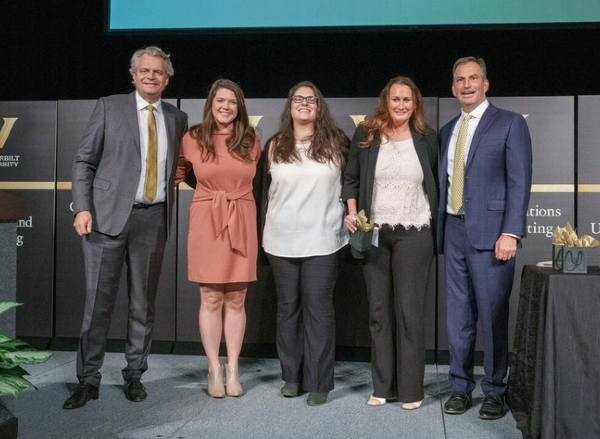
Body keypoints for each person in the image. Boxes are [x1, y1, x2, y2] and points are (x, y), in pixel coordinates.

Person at [65, 46, 188, 409]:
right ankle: (87, 379)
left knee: (142, 306)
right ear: (133, 75)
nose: (151, 76)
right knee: (97, 305)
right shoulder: (109, 106)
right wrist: (82, 207)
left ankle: (134, 374)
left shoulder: (177, 117)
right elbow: (84, 161)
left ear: (167, 78)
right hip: (105, 219)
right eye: (144, 71)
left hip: (153, 219)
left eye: (158, 72)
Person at [438, 57, 532, 419]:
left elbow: (519, 181)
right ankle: (460, 387)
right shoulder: (448, 129)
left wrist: (511, 231)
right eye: (459, 79)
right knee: (458, 318)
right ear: (453, 88)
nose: (466, 85)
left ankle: (495, 389)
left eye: (473, 78)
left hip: (493, 237)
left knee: (492, 318)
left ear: (485, 84)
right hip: (454, 232)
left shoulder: (509, 123)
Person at [342, 76, 438, 410]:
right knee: (379, 312)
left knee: (409, 312)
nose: (400, 105)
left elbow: (437, 181)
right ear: (386, 101)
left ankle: (411, 390)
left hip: (415, 232)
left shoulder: (427, 138)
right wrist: (352, 213)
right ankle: (382, 386)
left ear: (416, 104)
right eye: (395, 99)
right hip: (374, 233)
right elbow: (351, 178)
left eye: (407, 100)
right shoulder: (366, 134)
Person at [257, 81, 349, 406]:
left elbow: (351, 187)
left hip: (324, 240)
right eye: (299, 98)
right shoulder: (274, 145)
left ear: (319, 106)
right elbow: (262, 194)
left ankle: (319, 382)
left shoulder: (338, 143)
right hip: (280, 241)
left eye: (311, 99)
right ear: (290, 104)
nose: (305, 103)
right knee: (286, 310)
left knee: (319, 311)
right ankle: (291, 378)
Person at [176, 79, 261, 398]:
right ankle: (214, 368)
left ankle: (233, 368)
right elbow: (179, 174)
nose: (226, 106)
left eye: (232, 102)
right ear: (210, 103)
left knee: (237, 299)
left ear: (240, 107)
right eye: (220, 100)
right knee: (210, 298)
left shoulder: (251, 138)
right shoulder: (193, 137)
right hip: (207, 220)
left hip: (242, 217)